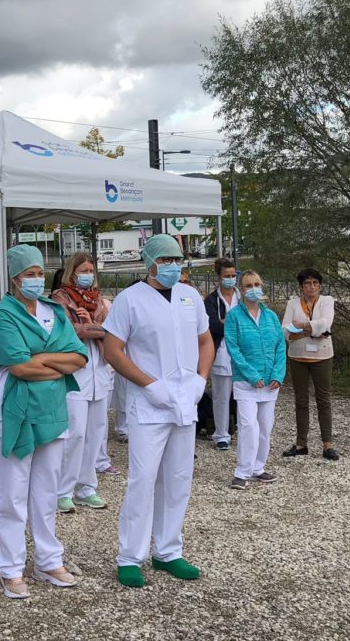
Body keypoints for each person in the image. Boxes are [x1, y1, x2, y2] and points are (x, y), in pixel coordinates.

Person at [103, 234, 214, 587]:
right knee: (143, 479)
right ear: (150, 263)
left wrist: (201, 379)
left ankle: (168, 551)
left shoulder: (189, 296)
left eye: (177, 260)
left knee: (179, 478)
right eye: (166, 260)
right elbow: (113, 350)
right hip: (149, 403)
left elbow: (205, 340)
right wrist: (149, 383)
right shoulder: (129, 300)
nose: (174, 266)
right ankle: (129, 556)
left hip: (185, 401)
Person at [0, 245, 87, 599]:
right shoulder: (4, 314)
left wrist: (40, 356)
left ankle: (48, 560)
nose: (36, 279)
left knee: (46, 491)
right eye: (29, 273)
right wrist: (52, 361)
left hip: (52, 412)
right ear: (15, 278)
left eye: (39, 272)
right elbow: (19, 367)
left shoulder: (53, 310)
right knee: (13, 495)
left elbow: (79, 357)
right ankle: (11, 569)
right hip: (16, 410)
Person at [51, 252, 113, 513]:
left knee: (96, 432)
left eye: (90, 270)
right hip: (76, 373)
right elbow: (72, 330)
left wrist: (93, 325)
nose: (87, 274)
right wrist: (99, 328)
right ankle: (62, 490)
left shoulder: (99, 299)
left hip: (100, 372)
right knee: (74, 433)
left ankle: (86, 487)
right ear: (72, 272)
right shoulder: (60, 298)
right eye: (82, 270)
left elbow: (117, 331)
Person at [222, 270, 285, 489]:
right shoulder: (234, 316)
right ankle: (242, 471)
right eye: (248, 285)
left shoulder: (271, 317)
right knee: (249, 425)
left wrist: (278, 374)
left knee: (266, 426)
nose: (253, 289)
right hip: (246, 381)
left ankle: (259, 467)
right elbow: (233, 348)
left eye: (257, 284)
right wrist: (251, 374)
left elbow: (280, 347)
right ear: (241, 288)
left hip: (270, 382)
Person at [281, 268, 339, 461]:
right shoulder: (292, 303)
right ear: (301, 286)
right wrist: (313, 331)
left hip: (322, 356)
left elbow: (326, 323)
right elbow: (285, 331)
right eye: (307, 283)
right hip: (297, 356)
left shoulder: (327, 301)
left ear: (320, 285)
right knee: (301, 400)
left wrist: (302, 327)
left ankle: (327, 444)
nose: (311, 286)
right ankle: (301, 443)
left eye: (315, 283)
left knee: (323, 399)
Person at [204, 257, 240, 451]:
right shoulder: (211, 300)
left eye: (234, 275)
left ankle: (244, 430)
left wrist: (228, 323)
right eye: (227, 276)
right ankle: (221, 434)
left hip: (242, 353)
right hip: (221, 353)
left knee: (244, 395)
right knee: (221, 396)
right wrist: (232, 325)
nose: (231, 279)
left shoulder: (242, 298)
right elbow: (213, 326)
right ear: (219, 277)